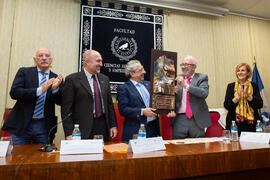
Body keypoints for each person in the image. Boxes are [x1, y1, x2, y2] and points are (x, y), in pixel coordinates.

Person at [2, 48, 63, 144]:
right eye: (40, 56)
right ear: (35, 59)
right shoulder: (24, 72)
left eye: (47, 56)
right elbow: (14, 92)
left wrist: (55, 89)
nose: (44, 58)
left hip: (44, 125)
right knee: (18, 156)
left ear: (51, 60)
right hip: (22, 123)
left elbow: (60, 101)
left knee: (43, 157)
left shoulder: (56, 78)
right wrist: (40, 90)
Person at [61, 50, 117, 142]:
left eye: (101, 61)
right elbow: (66, 109)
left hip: (102, 126)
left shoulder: (105, 79)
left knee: (102, 155)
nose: (101, 64)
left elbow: (109, 105)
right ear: (87, 62)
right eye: (98, 61)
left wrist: (113, 125)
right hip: (82, 127)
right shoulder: (72, 80)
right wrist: (68, 133)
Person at [168, 56, 211, 139]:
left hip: (197, 118)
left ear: (194, 66)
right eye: (182, 64)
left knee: (199, 146)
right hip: (179, 118)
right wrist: (173, 93)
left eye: (186, 64)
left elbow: (204, 93)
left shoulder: (202, 78)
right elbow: (168, 97)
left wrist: (185, 85)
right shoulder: (176, 78)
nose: (183, 67)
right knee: (178, 146)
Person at [117, 60, 160, 142]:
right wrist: (142, 111)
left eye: (143, 69)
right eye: (140, 70)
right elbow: (123, 110)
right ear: (132, 73)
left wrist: (172, 92)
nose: (144, 72)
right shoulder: (124, 88)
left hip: (153, 129)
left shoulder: (150, 85)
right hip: (136, 131)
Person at [224, 63, 263, 135]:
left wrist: (247, 95)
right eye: (238, 70)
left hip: (251, 124)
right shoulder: (231, 86)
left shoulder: (254, 86)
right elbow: (227, 105)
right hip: (234, 123)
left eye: (242, 70)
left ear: (248, 73)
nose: (240, 72)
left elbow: (260, 104)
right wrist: (237, 97)